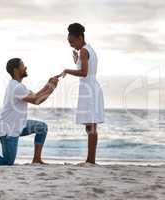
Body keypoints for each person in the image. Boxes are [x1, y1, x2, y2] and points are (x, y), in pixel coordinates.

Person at [0, 58, 59, 165]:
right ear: (16, 70)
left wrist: (48, 84)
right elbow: (37, 101)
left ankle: (36, 159)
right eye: (23, 66)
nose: (25, 67)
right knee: (7, 162)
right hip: (8, 130)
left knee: (42, 127)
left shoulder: (18, 86)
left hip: (19, 126)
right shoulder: (16, 87)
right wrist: (52, 88)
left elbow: (36, 95)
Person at [56, 23, 105, 164]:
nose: (71, 45)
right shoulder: (88, 49)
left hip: (89, 90)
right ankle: (90, 159)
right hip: (90, 88)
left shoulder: (84, 51)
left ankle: (91, 160)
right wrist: (76, 61)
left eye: (72, 42)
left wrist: (67, 70)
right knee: (90, 126)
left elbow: (84, 73)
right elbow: (86, 69)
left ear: (80, 37)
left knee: (91, 125)